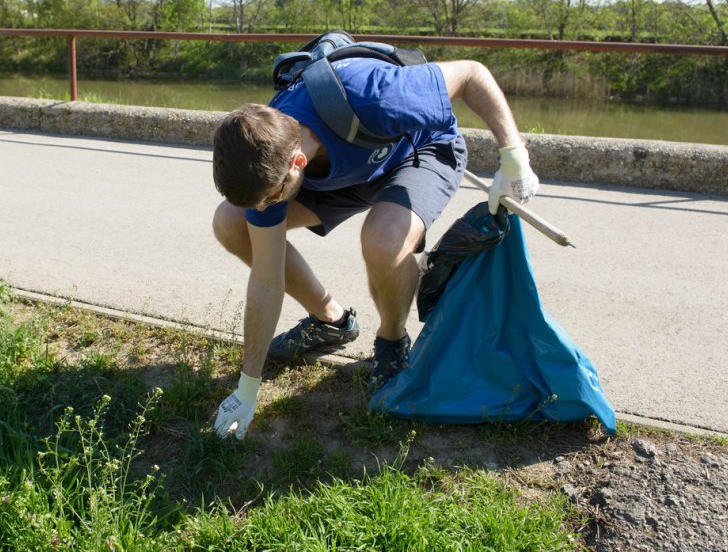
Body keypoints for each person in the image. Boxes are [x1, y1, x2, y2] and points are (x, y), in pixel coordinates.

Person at [210, 56, 539, 439]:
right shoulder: (270, 157)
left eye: (269, 199)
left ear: (296, 161)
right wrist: (248, 387)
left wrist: (514, 155)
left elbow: (471, 74)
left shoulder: (376, 96)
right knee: (233, 223)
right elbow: (267, 281)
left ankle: (392, 341)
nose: (265, 209)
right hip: (344, 173)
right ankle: (331, 323)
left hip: (418, 151)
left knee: (384, 239)